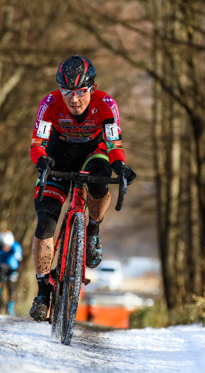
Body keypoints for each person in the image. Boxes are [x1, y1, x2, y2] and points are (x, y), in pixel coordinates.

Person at [28, 55, 136, 321]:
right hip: (59, 155)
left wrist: (121, 167)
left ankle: (93, 229)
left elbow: (113, 145)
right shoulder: (50, 103)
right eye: (67, 92)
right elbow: (37, 143)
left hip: (93, 153)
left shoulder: (107, 104)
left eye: (79, 92)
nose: (73, 100)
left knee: (100, 179)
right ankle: (43, 290)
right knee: (45, 222)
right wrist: (41, 160)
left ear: (92, 88)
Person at [0, 229, 23, 315]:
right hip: (1, 266)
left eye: (7, 246)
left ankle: (10, 306)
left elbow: (20, 261)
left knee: (11, 286)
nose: (5, 248)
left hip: (12, 268)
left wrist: (16, 272)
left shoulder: (16, 247)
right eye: (3, 245)